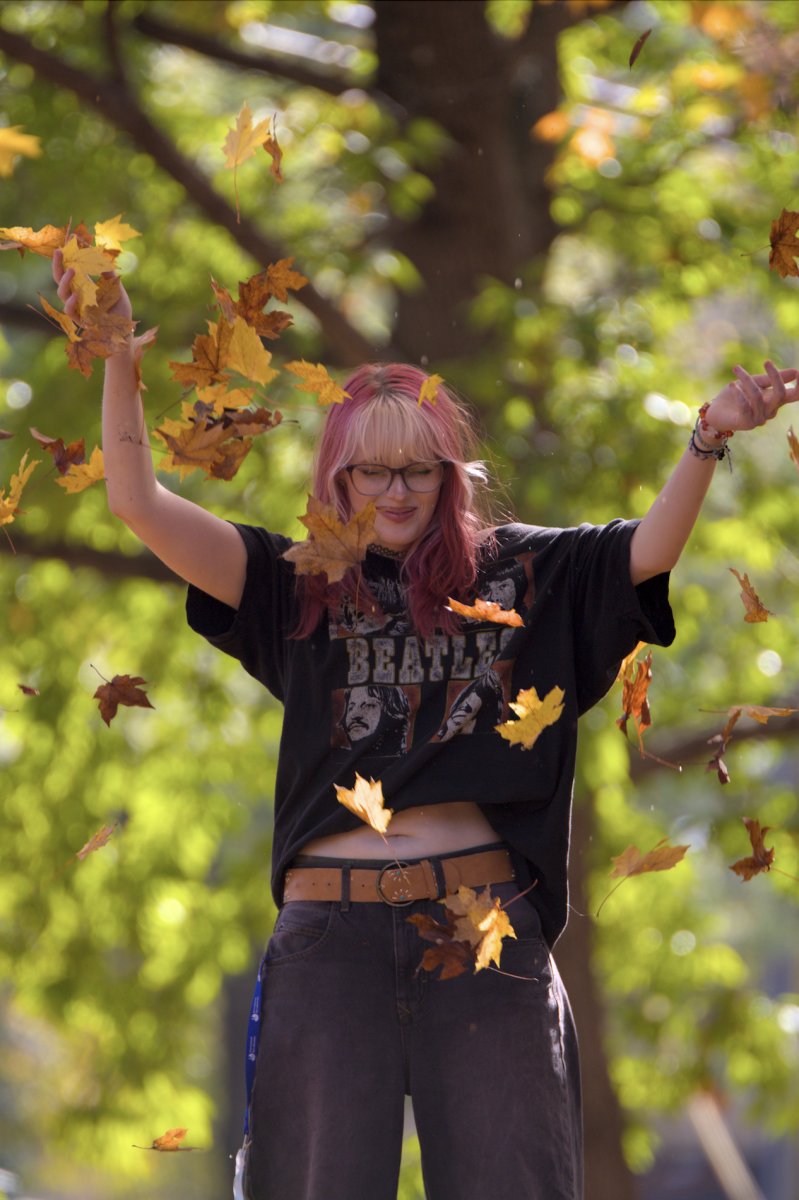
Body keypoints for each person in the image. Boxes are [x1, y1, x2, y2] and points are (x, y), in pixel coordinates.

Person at [53, 247, 797, 1200]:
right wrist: (121, 356)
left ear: (451, 475)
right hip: (330, 943)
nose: (396, 492)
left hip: (482, 928)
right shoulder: (294, 586)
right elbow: (137, 502)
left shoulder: (523, 575)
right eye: (372, 473)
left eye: (419, 471)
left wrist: (706, 436)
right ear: (338, 478)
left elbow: (646, 552)